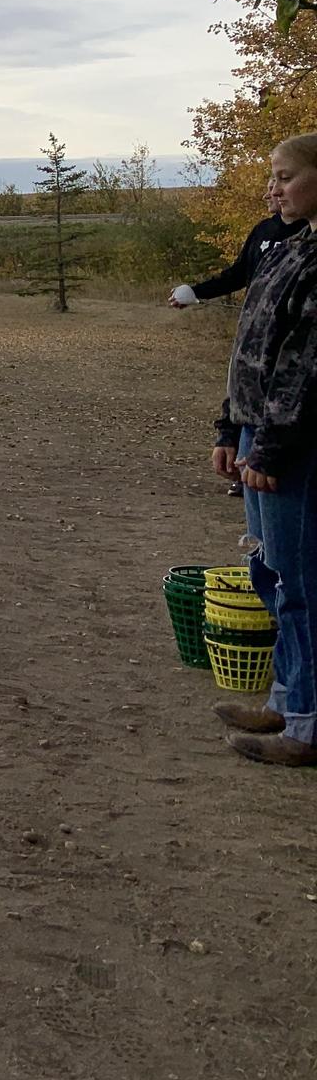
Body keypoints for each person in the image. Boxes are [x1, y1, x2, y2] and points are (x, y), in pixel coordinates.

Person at [209, 132, 317, 766]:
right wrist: (230, 428)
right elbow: (250, 348)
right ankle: (288, 695)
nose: (272, 187)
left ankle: (307, 724)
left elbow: (303, 368)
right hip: (257, 431)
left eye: (284, 176)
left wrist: (269, 450)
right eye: (271, 176)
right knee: (269, 571)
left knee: (299, 580)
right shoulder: (286, 249)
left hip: (292, 442)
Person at [170, 179, 307, 307]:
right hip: (257, 322)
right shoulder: (263, 230)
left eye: (271, 189)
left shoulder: (310, 232)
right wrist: (195, 291)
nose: (266, 196)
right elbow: (238, 274)